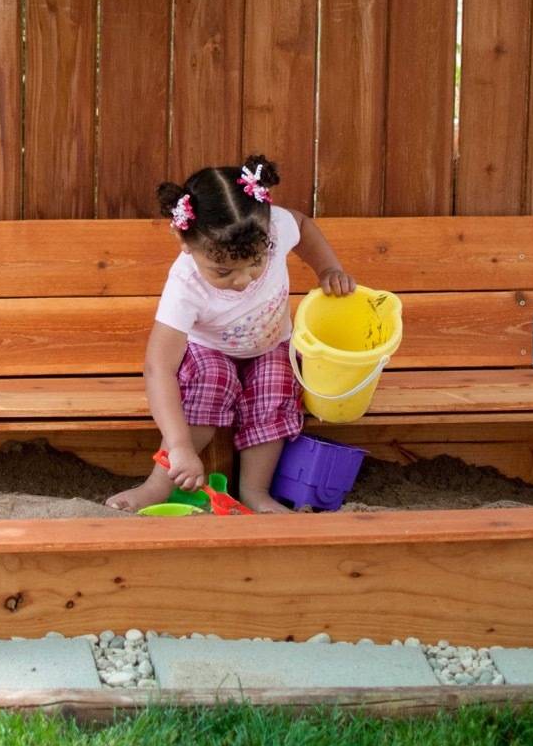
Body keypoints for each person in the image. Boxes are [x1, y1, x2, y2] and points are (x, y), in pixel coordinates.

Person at [106, 154, 355, 514]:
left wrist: (329, 268)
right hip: (211, 351)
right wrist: (179, 446)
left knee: (276, 385)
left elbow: (303, 224)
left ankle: (255, 492)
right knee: (211, 379)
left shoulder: (274, 228)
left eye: (256, 264)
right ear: (183, 239)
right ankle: (158, 485)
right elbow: (159, 367)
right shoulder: (185, 284)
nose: (243, 280)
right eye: (223, 272)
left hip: (271, 345)